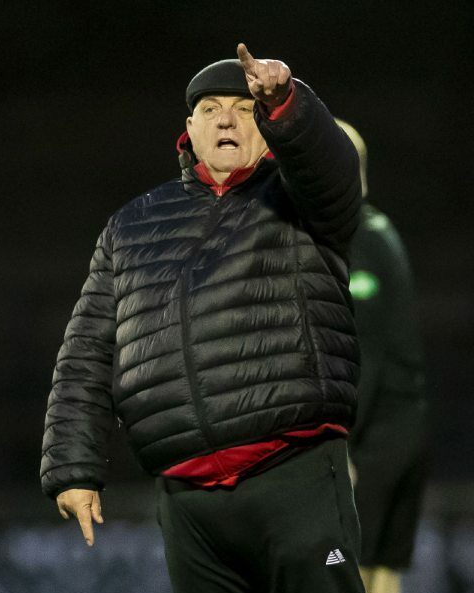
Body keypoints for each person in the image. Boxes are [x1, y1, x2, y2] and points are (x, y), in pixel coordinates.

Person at [41, 43, 366, 593]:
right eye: (211, 108)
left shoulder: (297, 198)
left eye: (243, 108)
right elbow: (88, 350)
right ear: (188, 129)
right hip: (188, 499)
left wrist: (287, 102)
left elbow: (331, 169)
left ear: (265, 127)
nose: (227, 120)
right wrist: (73, 465)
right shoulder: (130, 227)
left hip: (292, 471)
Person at [335, 120, 429, 593]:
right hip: (402, 430)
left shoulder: (361, 242)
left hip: (378, 439)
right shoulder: (378, 230)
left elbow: (366, 353)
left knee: (353, 572)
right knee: (380, 575)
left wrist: (342, 445)